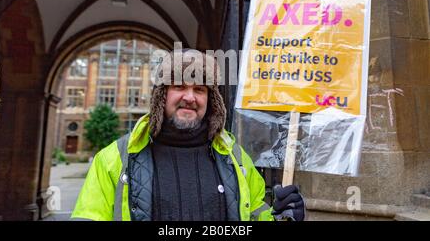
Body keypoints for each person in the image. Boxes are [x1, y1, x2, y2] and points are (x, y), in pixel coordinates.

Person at [71, 49, 305, 221]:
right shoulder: (115, 160)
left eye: (200, 89)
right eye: (179, 86)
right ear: (161, 96)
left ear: (210, 100)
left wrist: (283, 216)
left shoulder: (235, 158)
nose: (190, 97)